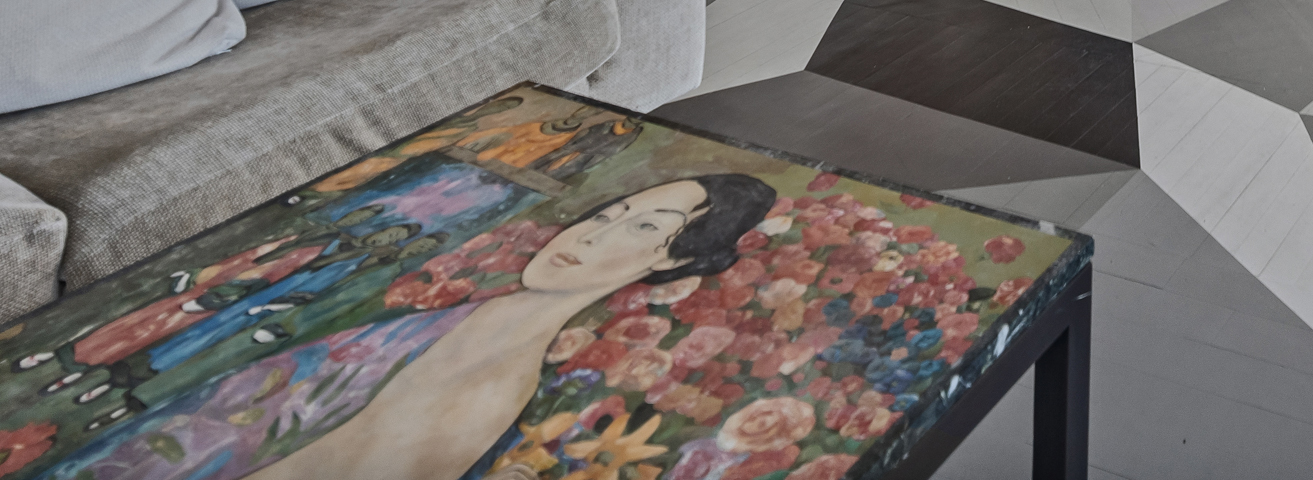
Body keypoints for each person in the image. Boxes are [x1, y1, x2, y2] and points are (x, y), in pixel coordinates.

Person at [54, 174, 776, 480]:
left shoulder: (491, 384)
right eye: (608, 213)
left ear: (669, 264)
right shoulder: (447, 322)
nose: (589, 233)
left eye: (644, 226)